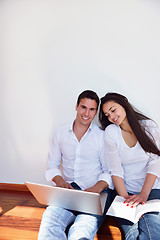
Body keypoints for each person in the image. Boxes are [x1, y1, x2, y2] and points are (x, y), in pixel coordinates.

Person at [38, 90, 113, 240]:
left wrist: (96, 189)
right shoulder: (60, 134)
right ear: (76, 107)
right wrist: (60, 182)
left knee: (81, 230)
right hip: (68, 191)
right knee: (50, 222)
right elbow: (52, 164)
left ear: (96, 111)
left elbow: (109, 171)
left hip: (95, 193)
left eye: (92, 109)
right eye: (83, 107)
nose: (86, 113)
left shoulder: (102, 137)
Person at [99, 92, 160, 240]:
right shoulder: (111, 132)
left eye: (113, 110)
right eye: (107, 115)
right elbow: (116, 169)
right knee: (131, 235)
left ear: (124, 104)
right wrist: (125, 199)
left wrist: (144, 195)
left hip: (151, 190)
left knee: (152, 233)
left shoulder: (149, 126)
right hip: (124, 192)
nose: (111, 117)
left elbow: (155, 162)